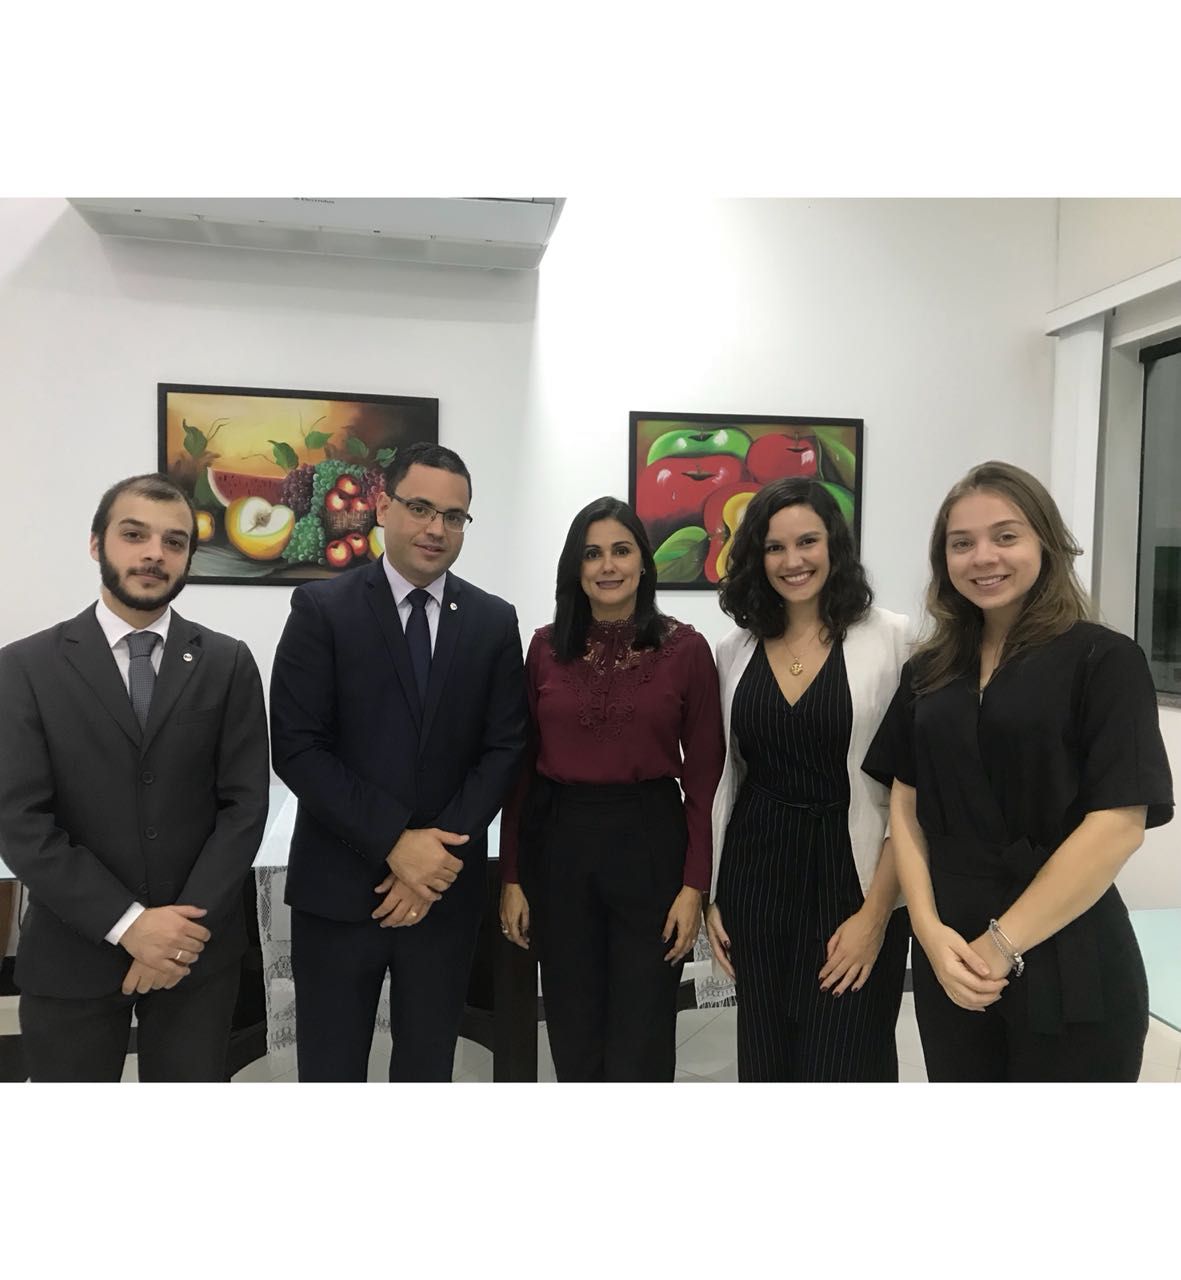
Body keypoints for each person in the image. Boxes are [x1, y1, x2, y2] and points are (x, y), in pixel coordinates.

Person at [864, 460, 1174, 1082]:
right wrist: (926, 928)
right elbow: (906, 802)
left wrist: (1001, 945)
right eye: (961, 543)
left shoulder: (1105, 659)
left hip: (1066, 943)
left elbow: (1118, 824)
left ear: (1046, 543)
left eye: (1005, 536)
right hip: (950, 950)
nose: (983, 557)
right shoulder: (930, 669)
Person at [271, 442, 527, 1082]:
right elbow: (297, 747)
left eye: (454, 516)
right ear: (383, 506)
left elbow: (505, 747)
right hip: (338, 889)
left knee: (427, 1069)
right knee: (330, 1072)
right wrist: (394, 842)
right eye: (420, 508)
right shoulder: (322, 610)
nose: (436, 528)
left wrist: (431, 860)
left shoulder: (493, 621)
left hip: (443, 893)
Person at [0, 473, 270, 1082]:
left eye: (174, 542)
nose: (154, 553)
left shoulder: (227, 662)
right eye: (133, 534)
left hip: (196, 957)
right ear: (96, 543)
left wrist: (177, 934)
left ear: (189, 558)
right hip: (73, 952)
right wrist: (130, 925)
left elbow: (244, 806)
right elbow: (20, 822)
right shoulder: (24, 667)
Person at [498, 496, 724, 1082]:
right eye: (592, 553)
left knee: (644, 1025)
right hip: (560, 843)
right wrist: (512, 875)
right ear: (575, 568)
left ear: (644, 562)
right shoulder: (545, 648)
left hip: (650, 841)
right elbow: (521, 771)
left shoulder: (686, 649)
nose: (607, 566)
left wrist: (694, 885)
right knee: (572, 1020)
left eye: (621, 551)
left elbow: (705, 777)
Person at [705, 477, 910, 1081]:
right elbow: (728, 778)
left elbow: (913, 792)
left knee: (845, 1057)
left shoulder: (893, 640)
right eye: (775, 547)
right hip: (756, 874)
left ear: (834, 545)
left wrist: (876, 916)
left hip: (852, 875)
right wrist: (716, 895)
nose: (792, 560)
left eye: (807, 541)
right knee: (765, 1055)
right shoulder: (734, 649)